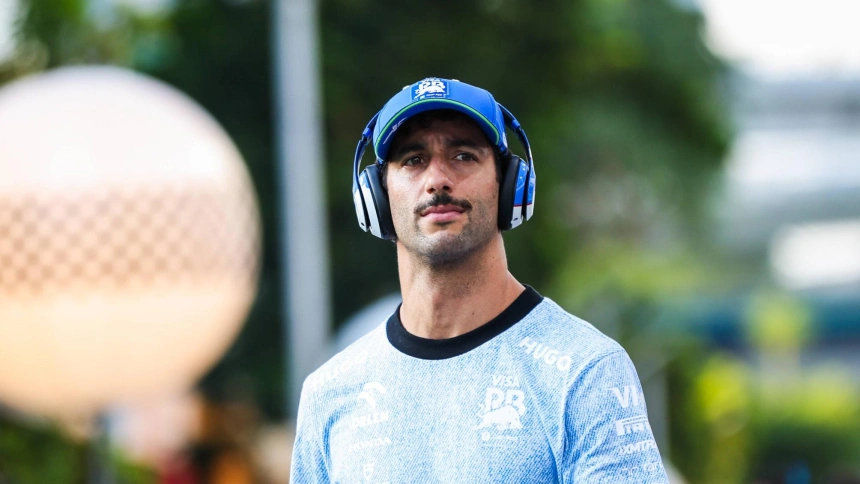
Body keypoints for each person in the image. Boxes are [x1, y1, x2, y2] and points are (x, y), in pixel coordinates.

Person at [290, 77, 669, 483]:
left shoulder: (584, 372)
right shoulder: (330, 393)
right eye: (413, 160)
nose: (437, 179)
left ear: (510, 185)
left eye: (463, 155)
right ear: (376, 196)